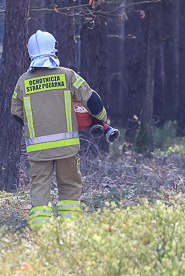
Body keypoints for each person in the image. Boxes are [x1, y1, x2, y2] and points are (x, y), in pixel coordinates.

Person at [10, 30, 111, 227]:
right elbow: (92, 100)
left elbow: (15, 113)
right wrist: (103, 120)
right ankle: (68, 228)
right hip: (67, 148)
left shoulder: (23, 81)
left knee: (39, 188)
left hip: (38, 149)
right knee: (70, 185)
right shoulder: (67, 75)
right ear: (54, 49)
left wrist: (35, 126)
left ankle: (40, 231)